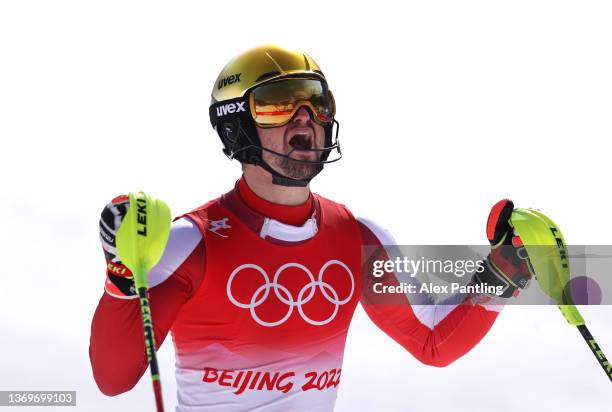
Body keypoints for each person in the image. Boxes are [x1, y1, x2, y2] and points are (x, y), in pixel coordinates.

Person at [90, 44, 531, 412]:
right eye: (278, 104)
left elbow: (433, 341)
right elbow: (113, 379)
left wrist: (508, 266)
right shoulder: (191, 241)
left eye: (316, 103)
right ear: (236, 124)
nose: (305, 118)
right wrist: (121, 274)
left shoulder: (358, 238)